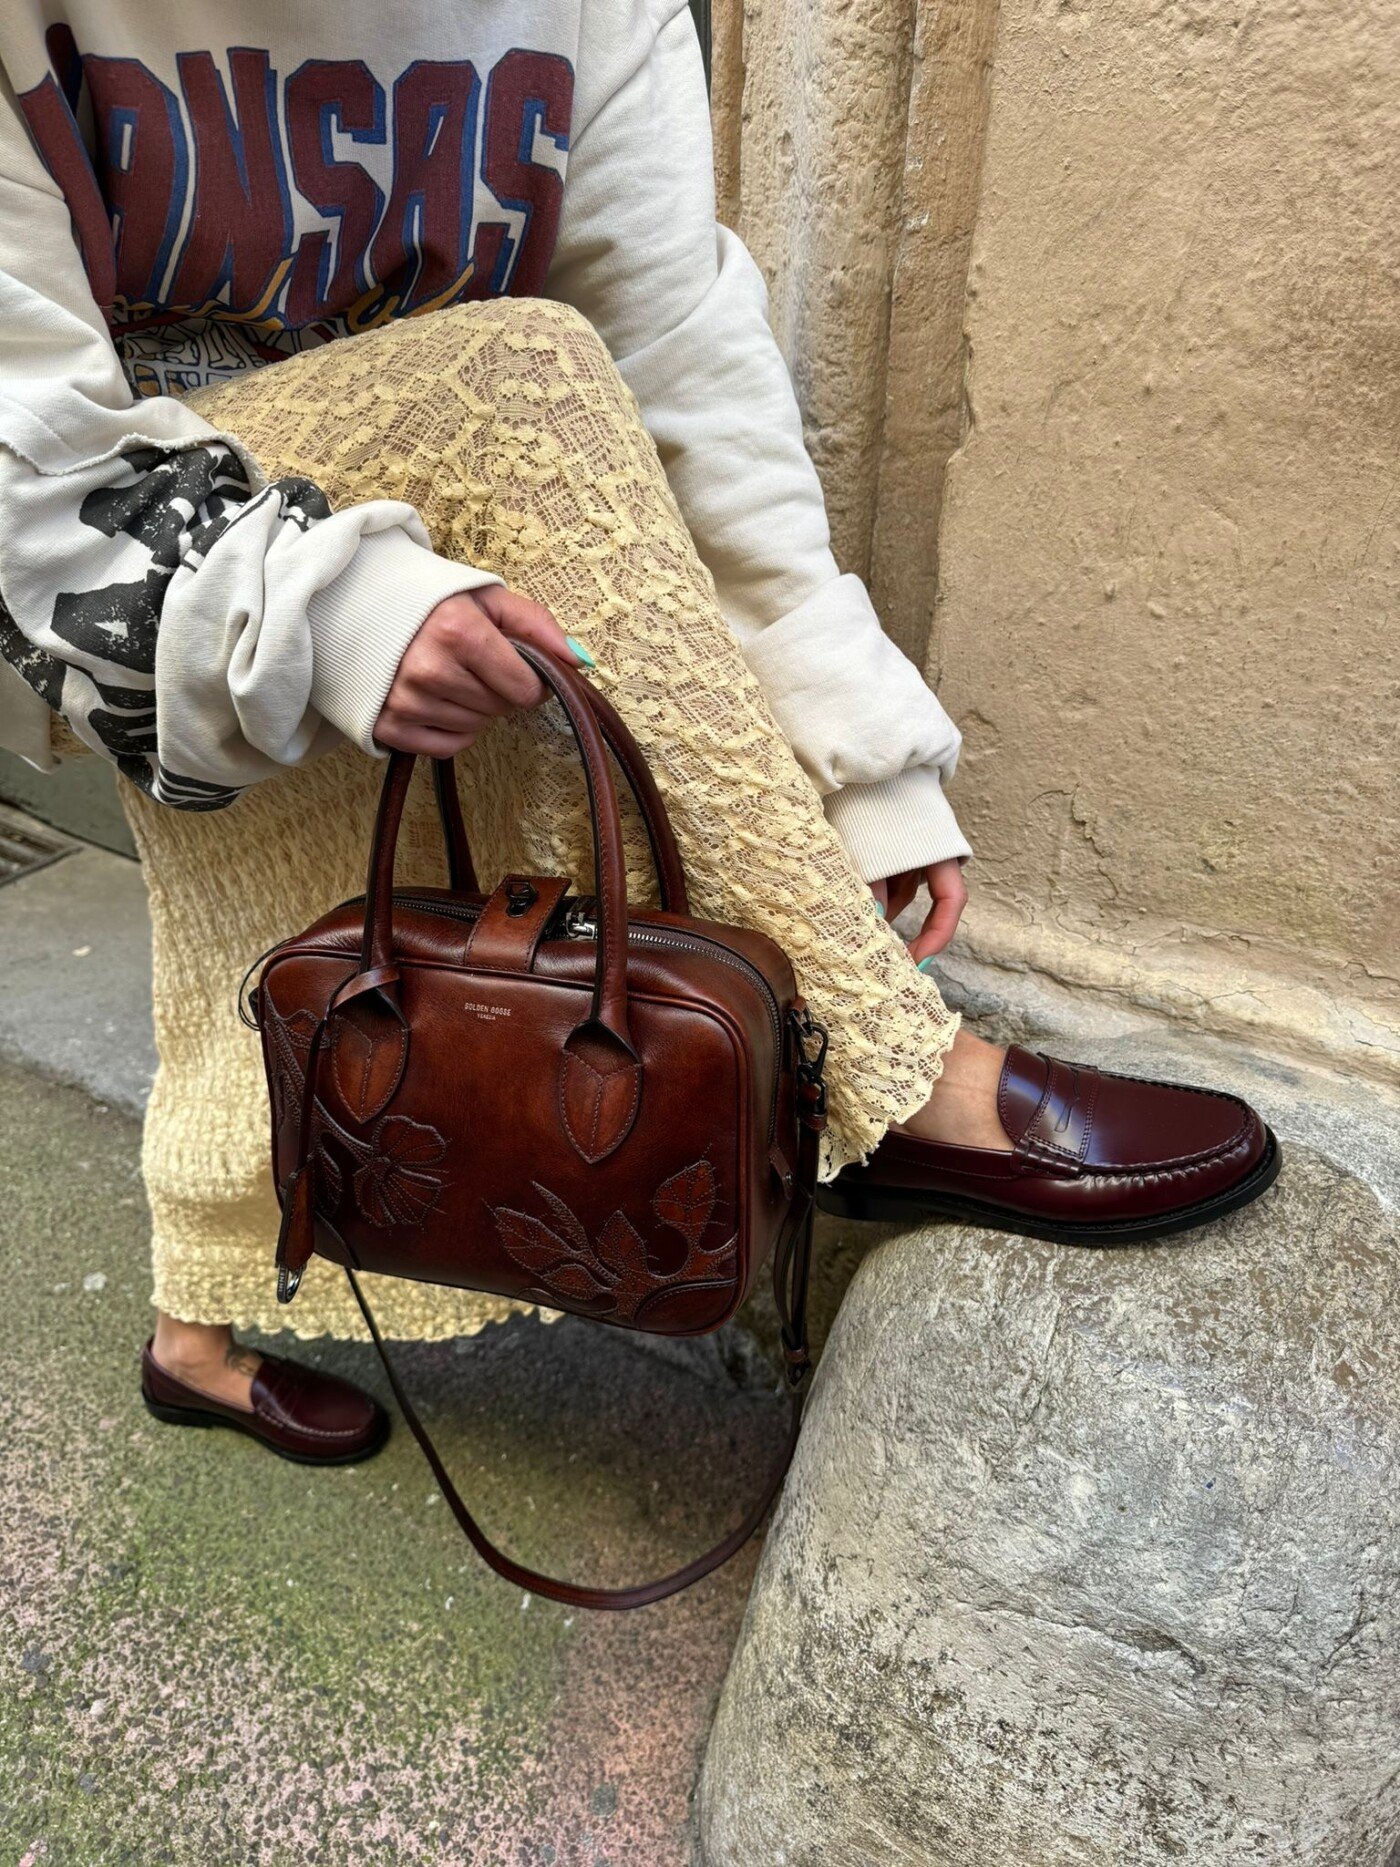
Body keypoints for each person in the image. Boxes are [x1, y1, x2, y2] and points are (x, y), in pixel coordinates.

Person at [0, 2, 1278, 1466]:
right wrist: (326, 609)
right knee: (511, 377)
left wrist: (857, 760)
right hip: (145, 537)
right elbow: (23, 427)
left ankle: (188, 1348)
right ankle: (892, 1074)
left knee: (273, 943)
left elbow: (681, 363)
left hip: (410, 518)